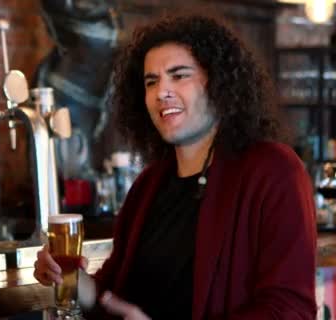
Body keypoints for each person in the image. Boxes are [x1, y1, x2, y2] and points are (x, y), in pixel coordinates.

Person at [34, 11, 317, 320]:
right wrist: (70, 277)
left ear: (218, 82)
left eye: (179, 75)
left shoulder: (273, 170)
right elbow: (111, 293)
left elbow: (290, 309)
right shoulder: (148, 185)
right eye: (151, 82)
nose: (161, 92)